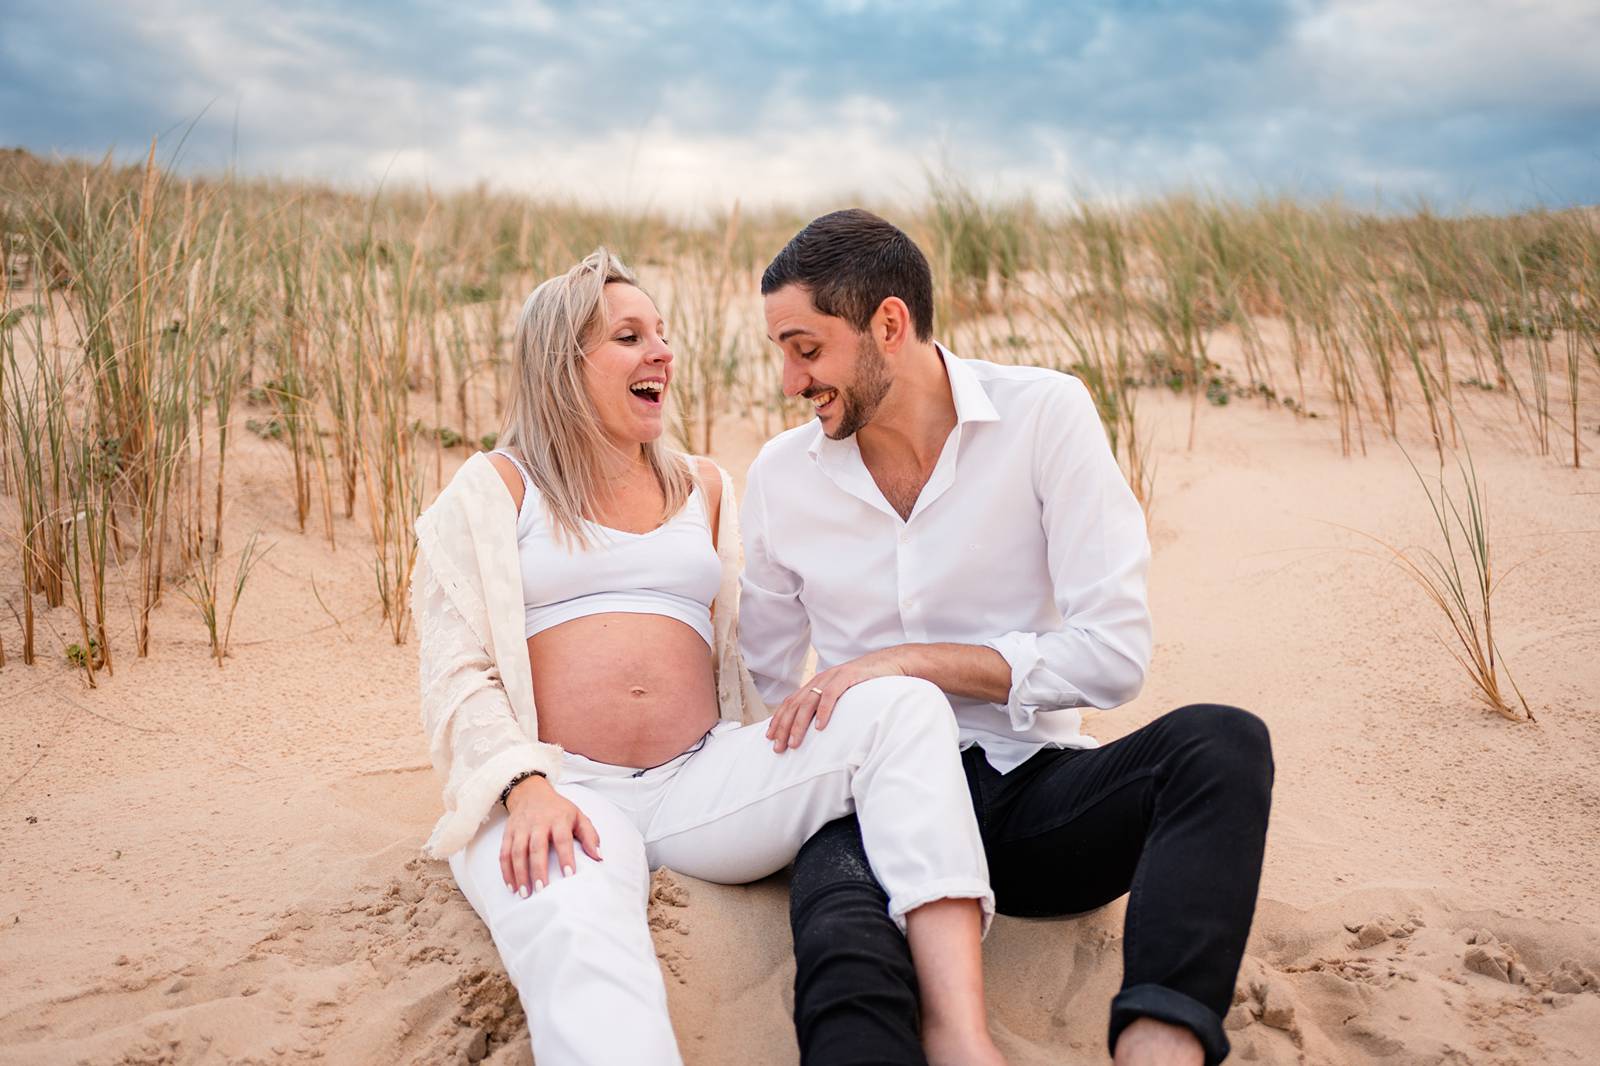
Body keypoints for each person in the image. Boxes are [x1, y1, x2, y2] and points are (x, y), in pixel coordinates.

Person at [411, 248, 1001, 1066]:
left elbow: (751, 653)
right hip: (566, 793)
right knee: (579, 943)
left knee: (903, 704)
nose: (662, 353)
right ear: (561, 362)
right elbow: (455, 671)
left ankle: (959, 1030)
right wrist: (524, 786)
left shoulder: (706, 487)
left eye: (662, 334)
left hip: (704, 782)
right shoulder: (494, 490)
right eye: (628, 337)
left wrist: (785, 737)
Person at [739, 210, 1275, 1066]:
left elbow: (1115, 652)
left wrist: (903, 664)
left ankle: (1159, 1048)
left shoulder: (1045, 416)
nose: (790, 379)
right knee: (844, 951)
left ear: (888, 323)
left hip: (1026, 796)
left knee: (1221, 745)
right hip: (865, 803)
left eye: (806, 348)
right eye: (782, 351)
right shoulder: (778, 478)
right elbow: (761, 677)